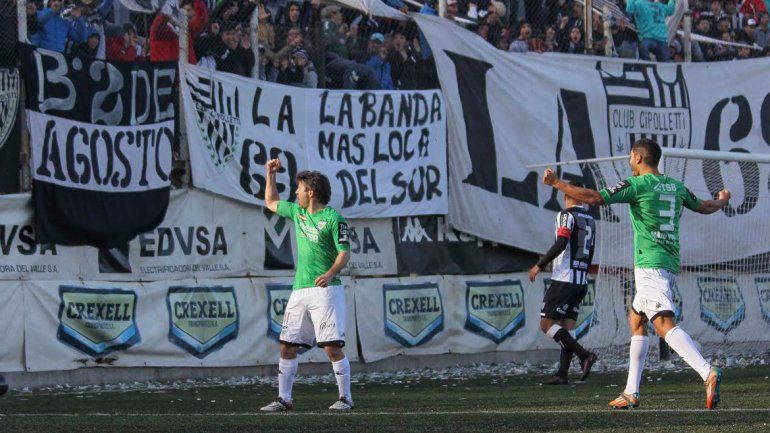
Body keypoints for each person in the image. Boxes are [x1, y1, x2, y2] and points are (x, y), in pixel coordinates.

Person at [541, 138, 730, 410]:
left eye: (630, 158)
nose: (629, 162)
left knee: (662, 324)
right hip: (667, 261)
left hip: (650, 264)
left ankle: (706, 371)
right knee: (636, 319)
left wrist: (558, 184)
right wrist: (722, 201)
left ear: (638, 157)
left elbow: (594, 198)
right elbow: (705, 206)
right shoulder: (675, 187)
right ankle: (631, 391)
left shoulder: (637, 185)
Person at [260, 160, 353, 412]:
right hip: (300, 290)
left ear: (311, 192)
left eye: (298, 189)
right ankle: (284, 399)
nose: (295, 193)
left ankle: (345, 398)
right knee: (287, 345)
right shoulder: (297, 213)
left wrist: (330, 273)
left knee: (332, 347)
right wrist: (269, 174)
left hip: (326, 290)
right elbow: (270, 202)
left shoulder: (334, 218)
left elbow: (344, 253)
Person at [529, 181, 598, 385]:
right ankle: (562, 373)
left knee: (546, 324)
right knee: (567, 328)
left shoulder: (566, 215)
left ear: (567, 194)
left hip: (565, 280)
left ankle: (584, 355)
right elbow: (590, 251)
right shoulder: (589, 219)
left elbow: (561, 242)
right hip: (580, 280)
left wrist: (539, 265)